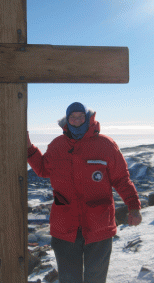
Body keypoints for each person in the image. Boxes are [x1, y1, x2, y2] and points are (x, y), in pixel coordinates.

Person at [27, 102, 142, 283]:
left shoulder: (106, 145)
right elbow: (43, 169)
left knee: (95, 279)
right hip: (65, 226)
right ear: (67, 120)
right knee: (69, 279)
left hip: (99, 226)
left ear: (88, 118)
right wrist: (29, 149)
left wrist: (134, 207)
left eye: (81, 117)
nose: (77, 121)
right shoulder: (57, 146)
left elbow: (122, 179)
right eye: (73, 117)